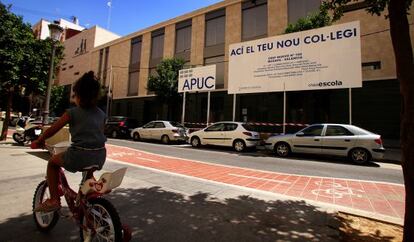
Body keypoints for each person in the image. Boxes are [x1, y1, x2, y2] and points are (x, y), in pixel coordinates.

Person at [32, 71, 107, 212]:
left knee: (53, 163)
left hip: (78, 156)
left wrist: (40, 139)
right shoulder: (102, 114)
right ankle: (86, 194)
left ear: (78, 96)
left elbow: (52, 130)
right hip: (100, 156)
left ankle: (54, 200)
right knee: (89, 168)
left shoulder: (72, 113)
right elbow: (97, 135)